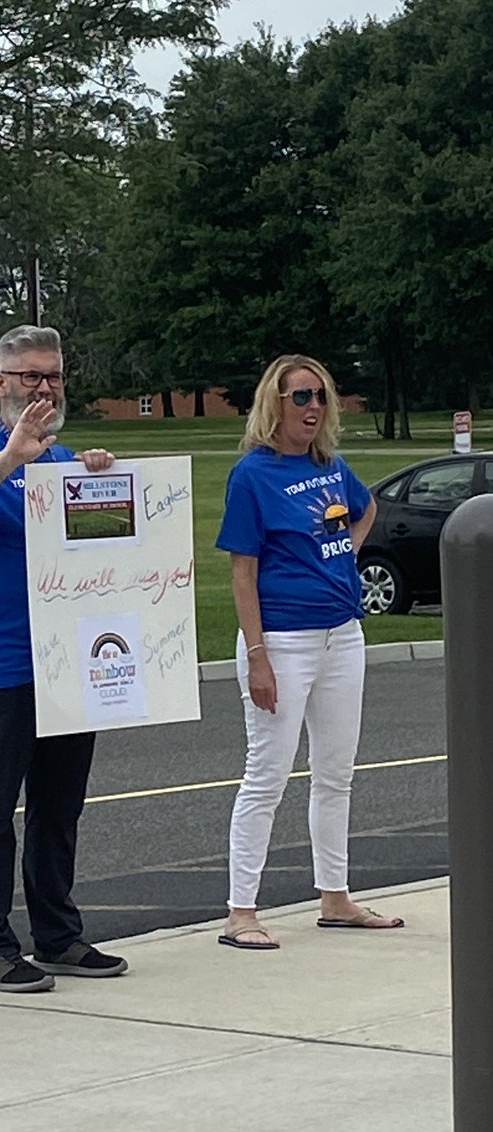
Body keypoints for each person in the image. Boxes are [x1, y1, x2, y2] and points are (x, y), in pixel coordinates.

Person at [0, 324, 129, 992]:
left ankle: (58, 934)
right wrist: (9, 459)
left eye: (54, 376)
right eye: (29, 377)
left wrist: (98, 479)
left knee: (58, 806)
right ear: (0, 384)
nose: (43, 388)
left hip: (68, 662)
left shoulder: (63, 456)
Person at [215, 354, 404, 950]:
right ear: (275, 403)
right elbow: (242, 574)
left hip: (342, 634)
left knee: (336, 773)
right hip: (286, 640)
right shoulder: (252, 475)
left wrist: (343, 550)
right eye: (301, 397)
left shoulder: (331, 467)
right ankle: (241, 911)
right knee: (266, 776)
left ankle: (336, 897)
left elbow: (365, 506)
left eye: (321, 396)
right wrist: (258, 655)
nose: (314, 408)